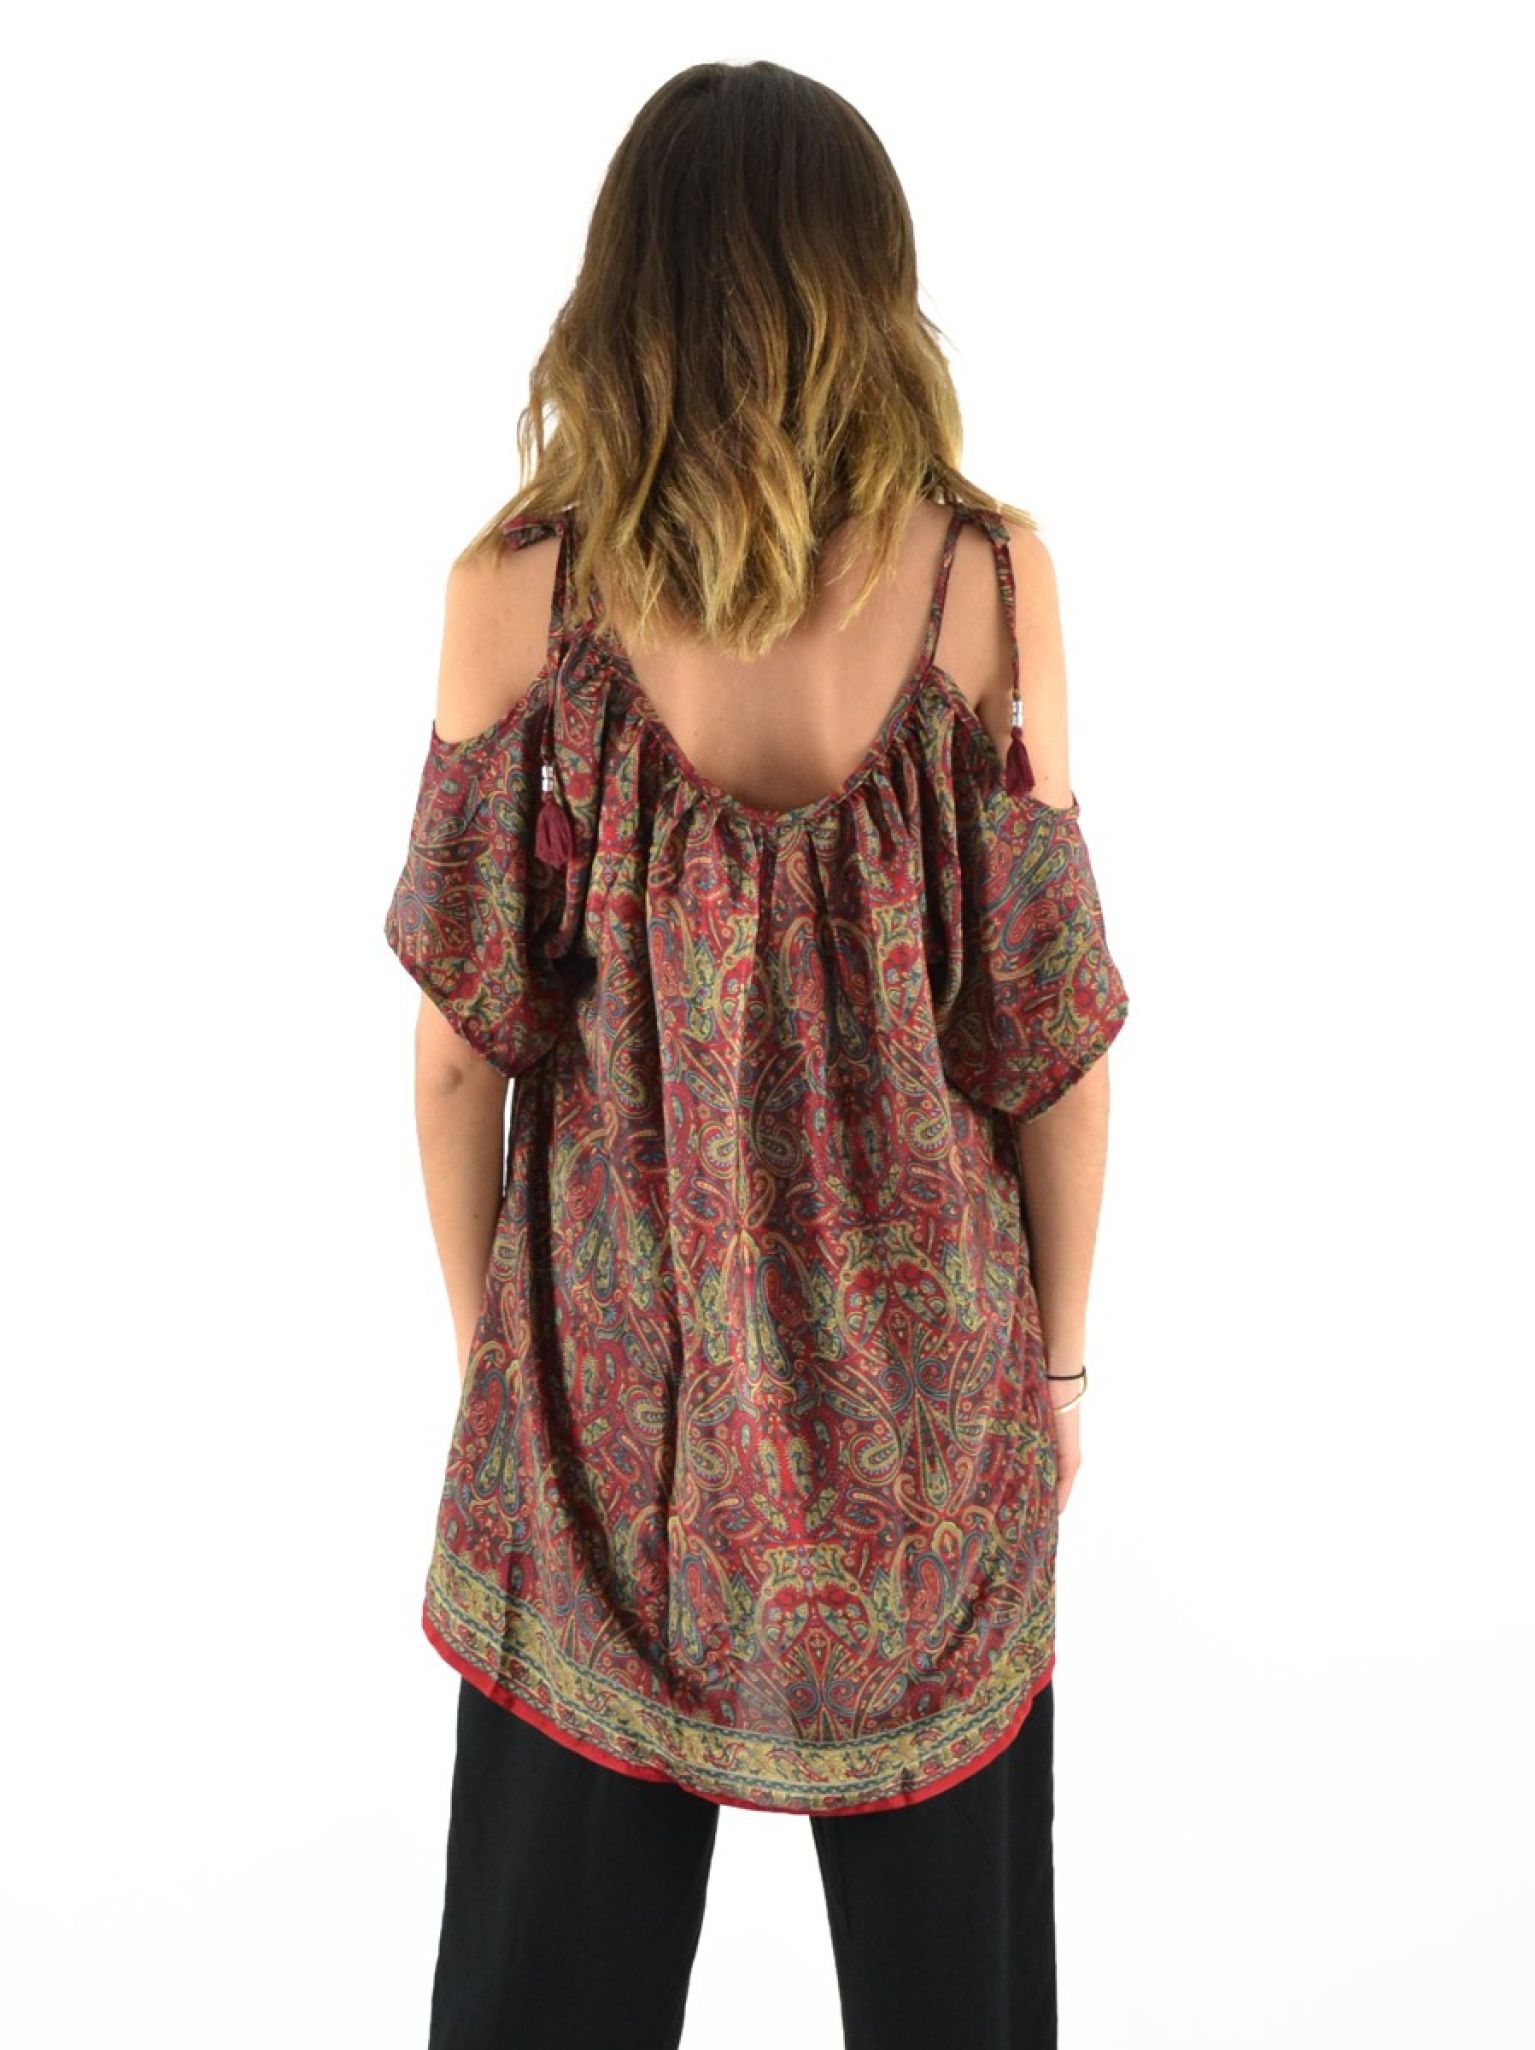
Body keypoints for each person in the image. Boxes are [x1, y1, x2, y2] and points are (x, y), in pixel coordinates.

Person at [382, 58, 1130, 2050]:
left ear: (621, 290)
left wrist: (499, 1366)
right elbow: (1050, 1045)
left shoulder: (516, 596)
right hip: (928, 1435)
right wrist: (1058, 1368)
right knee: (962, 2012)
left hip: (609, 1426)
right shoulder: (988, 585)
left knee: (538, 2008)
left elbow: (459, 1055)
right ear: (868, 285)